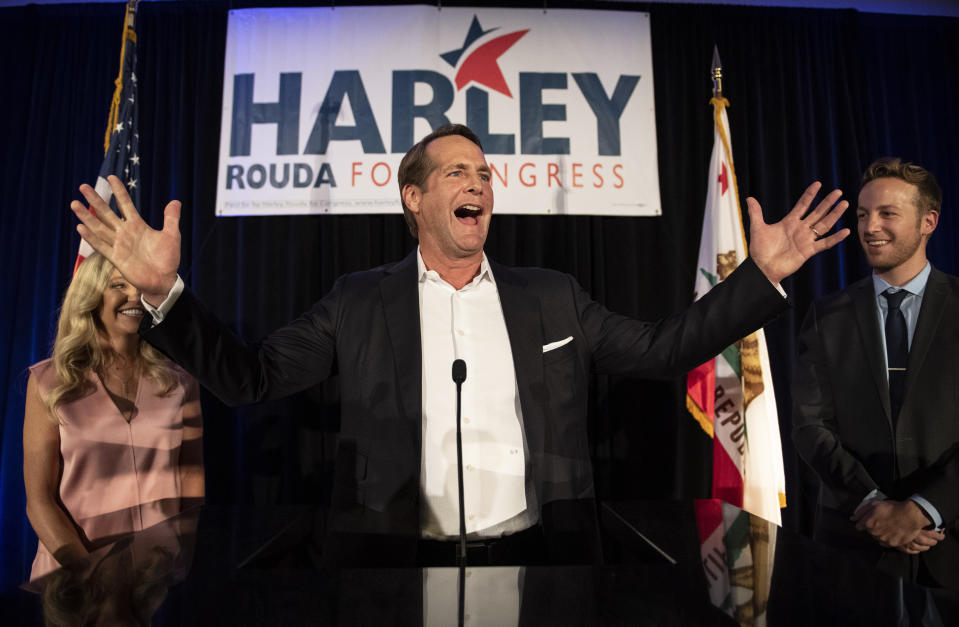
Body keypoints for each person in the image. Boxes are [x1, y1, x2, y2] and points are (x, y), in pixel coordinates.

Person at [71, 124, 848, 567]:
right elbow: (251, 377)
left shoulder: (551, 295)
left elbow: (657, 348)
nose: (477, 181)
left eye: (483, 171)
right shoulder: (357, 299)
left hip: (538, 555)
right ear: (413, 198)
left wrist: (759, 277)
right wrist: (167, 294)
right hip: (393, 562)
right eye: (454, 171)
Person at [792, 158, 958, 590]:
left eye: (888, 214)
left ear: (929, 222)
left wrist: (923, 509)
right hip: (854, 545)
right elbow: (810, 427)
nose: (870, 227)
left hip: (949, 540)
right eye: (863, 214)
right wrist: (873, 506)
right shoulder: (828, 316)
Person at [23, 252, 204, 581]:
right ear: (91, 297)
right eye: (119, 284)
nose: (135, 295)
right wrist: (87, 576)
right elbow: (38, 500)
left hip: (156, 579)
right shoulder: (49, 382)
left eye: (142, 286)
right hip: (72, 582)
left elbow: (191, 478)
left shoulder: (181, 381)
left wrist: (182, 560)